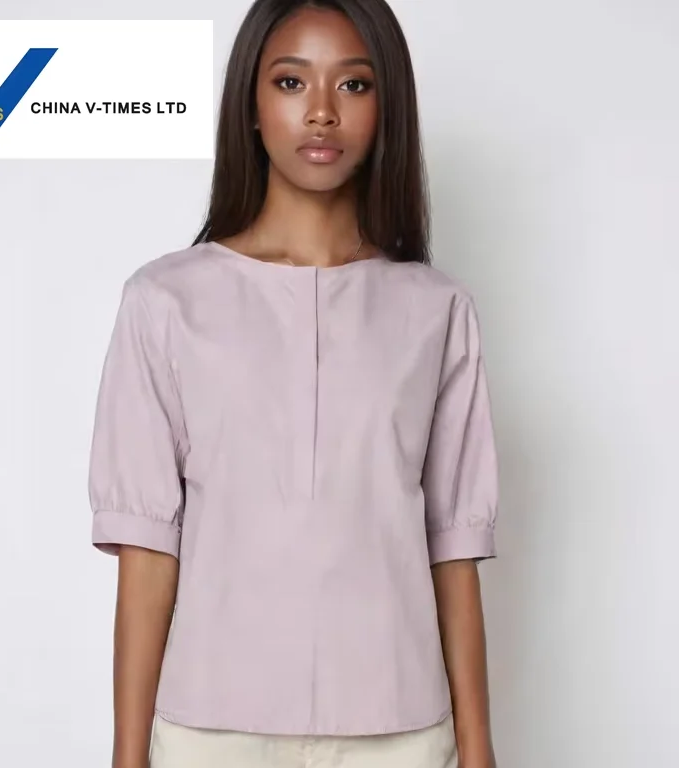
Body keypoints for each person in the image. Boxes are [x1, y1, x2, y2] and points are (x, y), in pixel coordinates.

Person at [87, 1, 500, 766]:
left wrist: (477, 749)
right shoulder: (165, 301)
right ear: (250, 103)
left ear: (387, 108)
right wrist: (127, 754)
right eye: (290, 81)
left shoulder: (436, 310)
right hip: (213, 731)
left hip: (400, 730)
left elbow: (453, 547)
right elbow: (148, 549)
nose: (320, 111)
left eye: (354, 85)